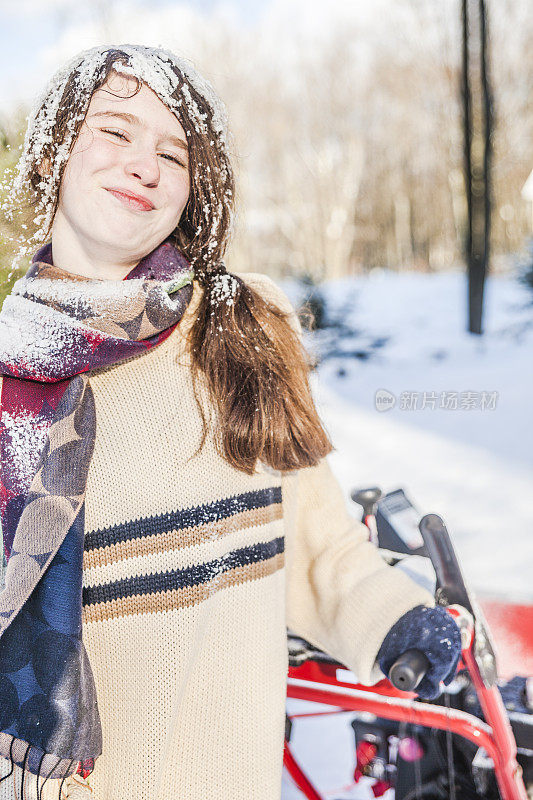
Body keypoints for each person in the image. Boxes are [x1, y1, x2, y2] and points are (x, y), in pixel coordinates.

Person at [0, 44, 461, 800]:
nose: (143, 165)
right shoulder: (8, 385)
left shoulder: (239, 330)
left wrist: (394, 619)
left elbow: (317, 544)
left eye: (173, 152)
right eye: (115, 132)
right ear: (53, 154)